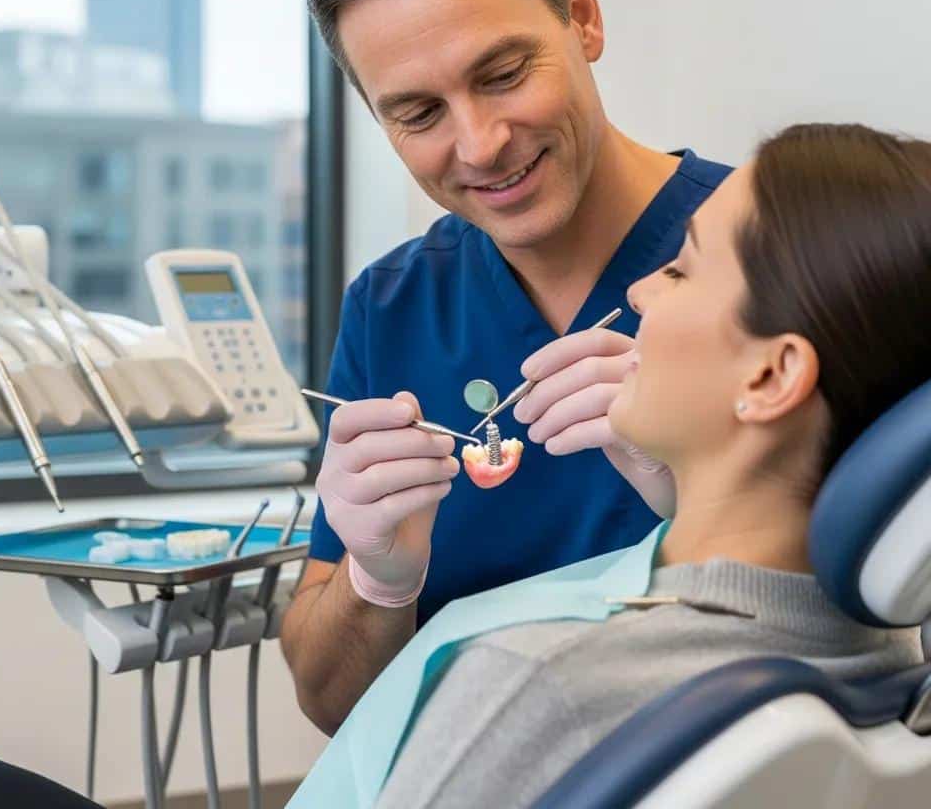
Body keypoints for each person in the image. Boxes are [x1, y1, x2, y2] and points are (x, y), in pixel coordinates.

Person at [283, 121, 930, 808]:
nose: (643, 291)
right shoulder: (889, 665)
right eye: (418, 113)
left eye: (681, 268)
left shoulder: (539, 682)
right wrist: (378, 585)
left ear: (772, 377)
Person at [280, 0, 730, 735]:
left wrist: (705, 502)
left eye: (502, 73)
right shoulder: (392, 307)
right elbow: (330, 703)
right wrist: (377, 583)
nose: (480, 145)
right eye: (418, 114)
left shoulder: (772, 245)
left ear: (583, 17)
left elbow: (892, 616)